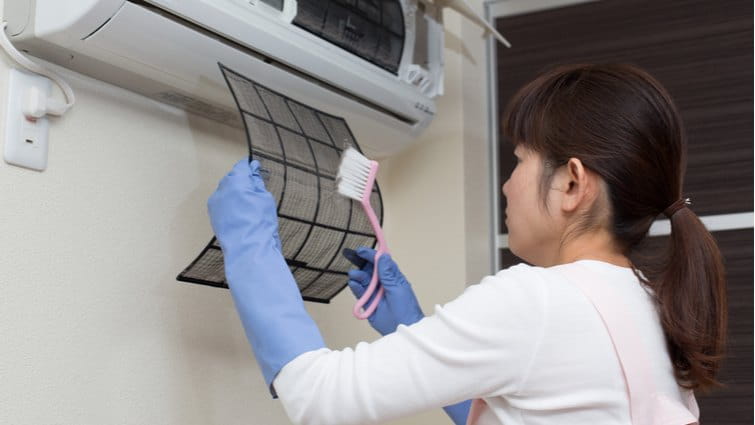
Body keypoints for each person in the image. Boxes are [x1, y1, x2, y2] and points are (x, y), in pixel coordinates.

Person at [207, 63, 727, 425]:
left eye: (520, 160)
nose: (507, 185)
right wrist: (410, 326)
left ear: (572, 183)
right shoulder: (647, 302)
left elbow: (320, 396)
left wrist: (249, 247)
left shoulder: (536, 300)